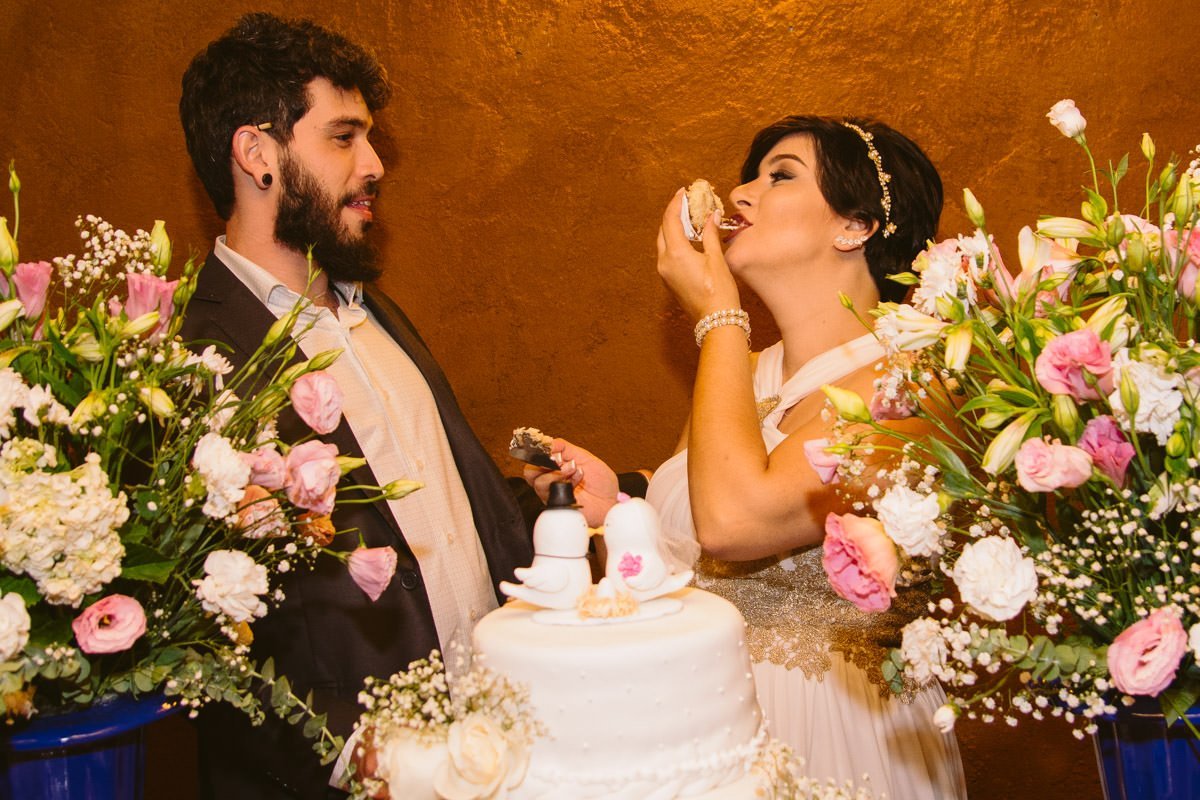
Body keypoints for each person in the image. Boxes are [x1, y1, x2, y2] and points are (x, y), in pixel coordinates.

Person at [527, 116, 967, 798]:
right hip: (703, 709)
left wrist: (718, 317)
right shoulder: (747, 370)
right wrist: (619, 510)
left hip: (832, 728)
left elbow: (736, 522)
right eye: (752, 175)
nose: (739, 194)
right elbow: (701, 554)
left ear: (855, 226)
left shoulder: (916, 378)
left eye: (781, 175)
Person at [178, 13, 535, 799]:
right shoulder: (193, 360)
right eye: (343, 138)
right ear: (257, 154)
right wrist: (356, 751)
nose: (373, 165)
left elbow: (445, 518)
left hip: (491, 750)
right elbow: (189, 643)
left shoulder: (377, 317)